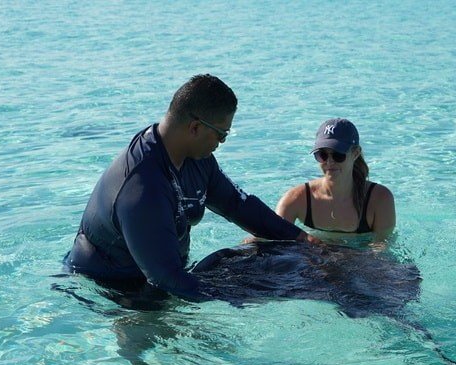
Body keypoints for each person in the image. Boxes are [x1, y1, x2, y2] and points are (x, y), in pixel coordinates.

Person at [64, 74, 317, 300]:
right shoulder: (142, 188)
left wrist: (300, 238)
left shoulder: (198, 160)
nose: (221, 143)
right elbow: (166, 279)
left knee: (272, 263)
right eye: (222, 135)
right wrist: (242, 298)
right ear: (195, 128)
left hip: (162, 274)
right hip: (112, 289)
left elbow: (237, 204)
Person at [276, 118, 396, 242]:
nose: (329, 162)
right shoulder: (297, 199)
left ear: (355, 153)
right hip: (314, 258)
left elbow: (381, 249)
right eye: (322, 155)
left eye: (338, 154)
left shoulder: (380, 199)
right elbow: (271, 238)